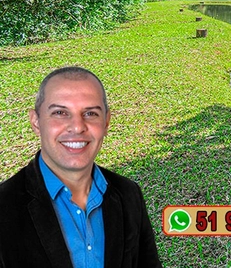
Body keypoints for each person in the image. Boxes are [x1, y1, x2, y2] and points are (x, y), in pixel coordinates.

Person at [0, 66, 162, 268]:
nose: (77, 127)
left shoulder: (129, 194)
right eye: (60, 112)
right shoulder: (4, 206)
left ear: (106, 122)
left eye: (91, 113)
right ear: (36, 121)